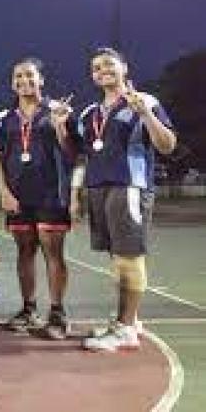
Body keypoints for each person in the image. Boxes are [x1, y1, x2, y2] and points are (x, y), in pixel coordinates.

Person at [66, 48, 176, 352]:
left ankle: (126, 329)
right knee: (117, 259)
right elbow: (80, 157)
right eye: (97, 67)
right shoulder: (90, 114)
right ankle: (129, 320)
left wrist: (145, 115)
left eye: (109, 65)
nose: (103, 70)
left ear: (124, 68)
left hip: (129, 187)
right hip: (98, 190)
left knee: (129, 257)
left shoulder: (145, 102)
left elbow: (168, 145)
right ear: (92, 75)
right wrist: (76, 194)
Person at [0, 58, 74, 339]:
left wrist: (61, 126)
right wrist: (3, 191)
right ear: (11, 82)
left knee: (53, 253)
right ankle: (29, 309)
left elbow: (72, 153)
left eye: (30, 75)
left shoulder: (57, 110)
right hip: (18, 196)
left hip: (50, 194)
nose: (23, 80)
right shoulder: (4, 118)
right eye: (18, 76)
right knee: (24, 252)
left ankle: (57, 313)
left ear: (42, 80)